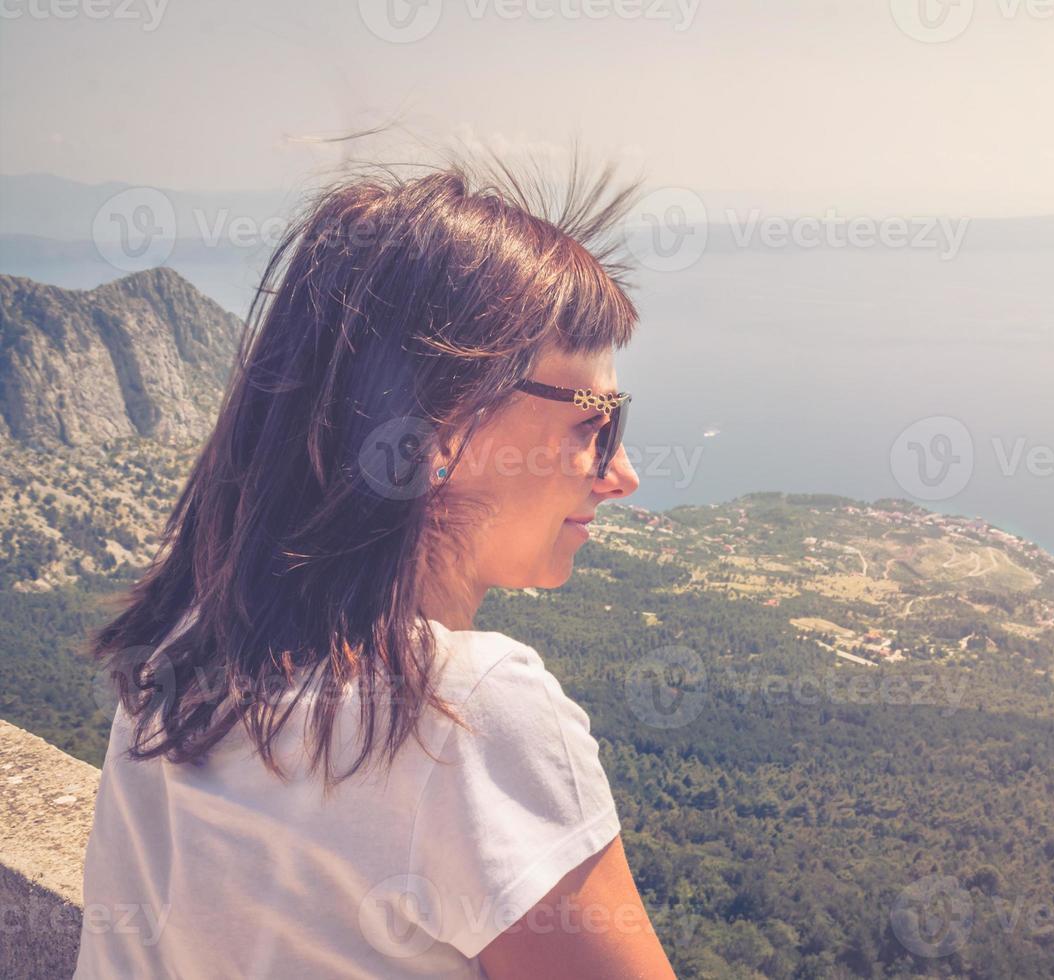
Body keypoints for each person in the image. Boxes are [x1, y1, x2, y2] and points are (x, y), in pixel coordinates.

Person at [73, 151, 678, 979]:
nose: (620, 473)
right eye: (595, 422)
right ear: (440, 431)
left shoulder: (178, 650)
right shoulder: (468, 712)